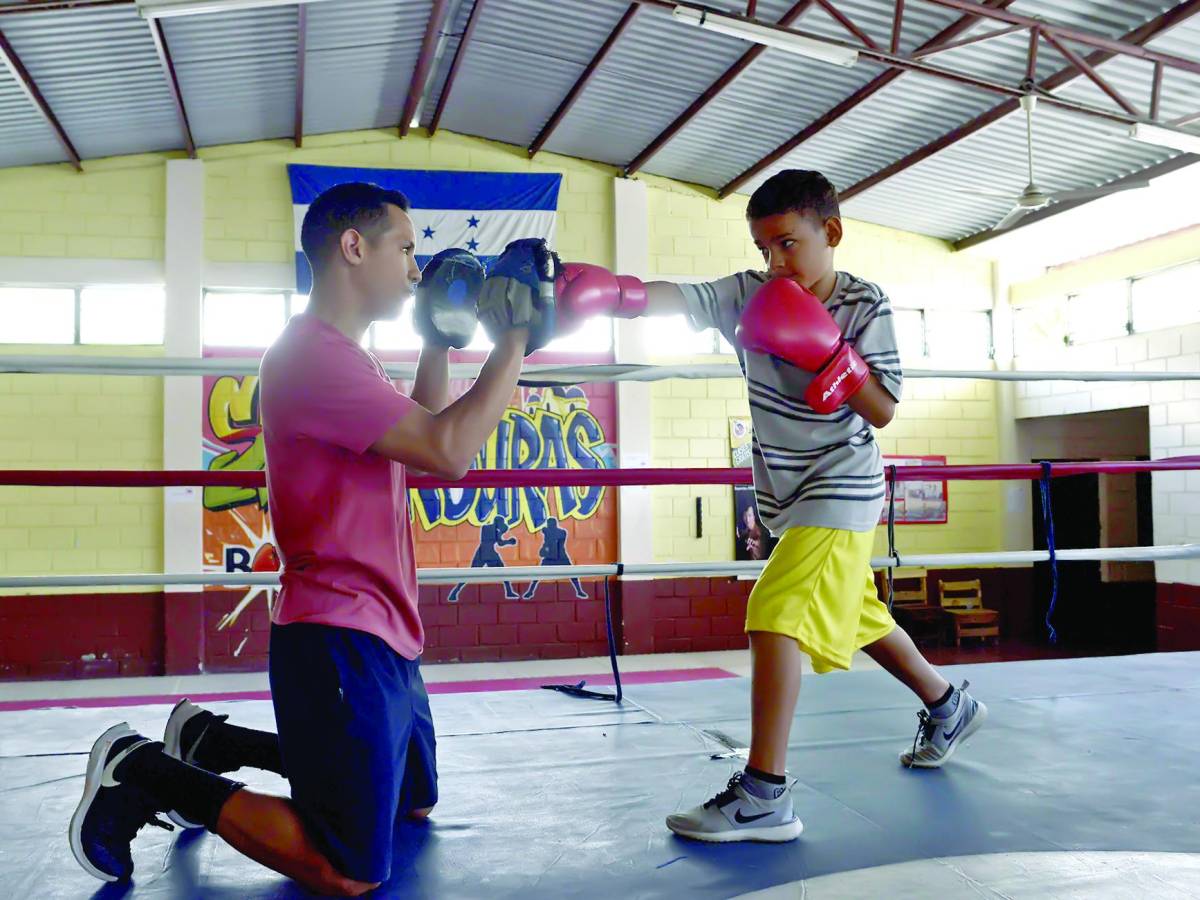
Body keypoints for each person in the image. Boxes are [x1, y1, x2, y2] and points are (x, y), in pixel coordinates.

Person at [69, 183, 557, 891]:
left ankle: (212, 740)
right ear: (353, 248)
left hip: (386, 628)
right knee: (348, 868)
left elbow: (418, 442)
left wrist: (435, 341)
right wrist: (516, 336)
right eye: (406, 249)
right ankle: (140, 768)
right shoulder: (314, 359)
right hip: (337, 635)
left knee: (412, 802)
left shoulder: (347, 359)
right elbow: (450, 452)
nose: (418, 270)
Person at [554, 169, 986, 843]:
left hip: (843, 484)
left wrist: (831, 354)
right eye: (764, 248)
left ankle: (764, 793)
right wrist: (617, 293)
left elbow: (884, 408)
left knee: (775, 611)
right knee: (859, 614)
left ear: (830, 233)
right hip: (785, 489)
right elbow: (683, 298)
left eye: (787, 244)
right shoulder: (751, 292)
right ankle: (947, 703)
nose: (775, 262)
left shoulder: (864, 304)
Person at [448, 514, 519, 602]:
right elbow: (500, 542)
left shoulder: (487, 528)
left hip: (482, 553)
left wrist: (505, 537)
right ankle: (509, 591)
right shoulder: (490, 529)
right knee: (501, 572)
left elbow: (498, 541)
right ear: (498, 523)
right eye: (501, 523)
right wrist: (509, 541)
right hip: (488, 554)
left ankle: (454, 592)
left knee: (470, 574)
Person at [522, 516, 588, 600]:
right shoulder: (548, 532)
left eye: (550, 524)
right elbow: (547, 543)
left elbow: (553, 539)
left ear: (554, 524)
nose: (549, 525)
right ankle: (530, 591)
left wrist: (546, 532)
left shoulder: (561, 532)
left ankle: (579, 591)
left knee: (573, 574)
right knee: (538, 574)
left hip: (561, 557)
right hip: (549, 557)